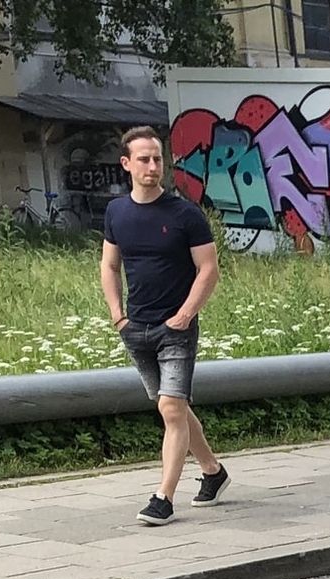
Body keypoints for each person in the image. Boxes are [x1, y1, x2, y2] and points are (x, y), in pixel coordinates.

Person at [101, 126, 228, 526]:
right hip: (135, 327)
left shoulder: (185, 214)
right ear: (127, 164)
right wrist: (117, 314)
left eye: (158, 158)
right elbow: (109, 265)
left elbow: (208, 270)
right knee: (173, 407)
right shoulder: (116, 212)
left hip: (176, 328)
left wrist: (187, 313)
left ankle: (163, 498)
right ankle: (213, 471)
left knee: (171, 408)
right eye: (144, 159)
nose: (153, 166)